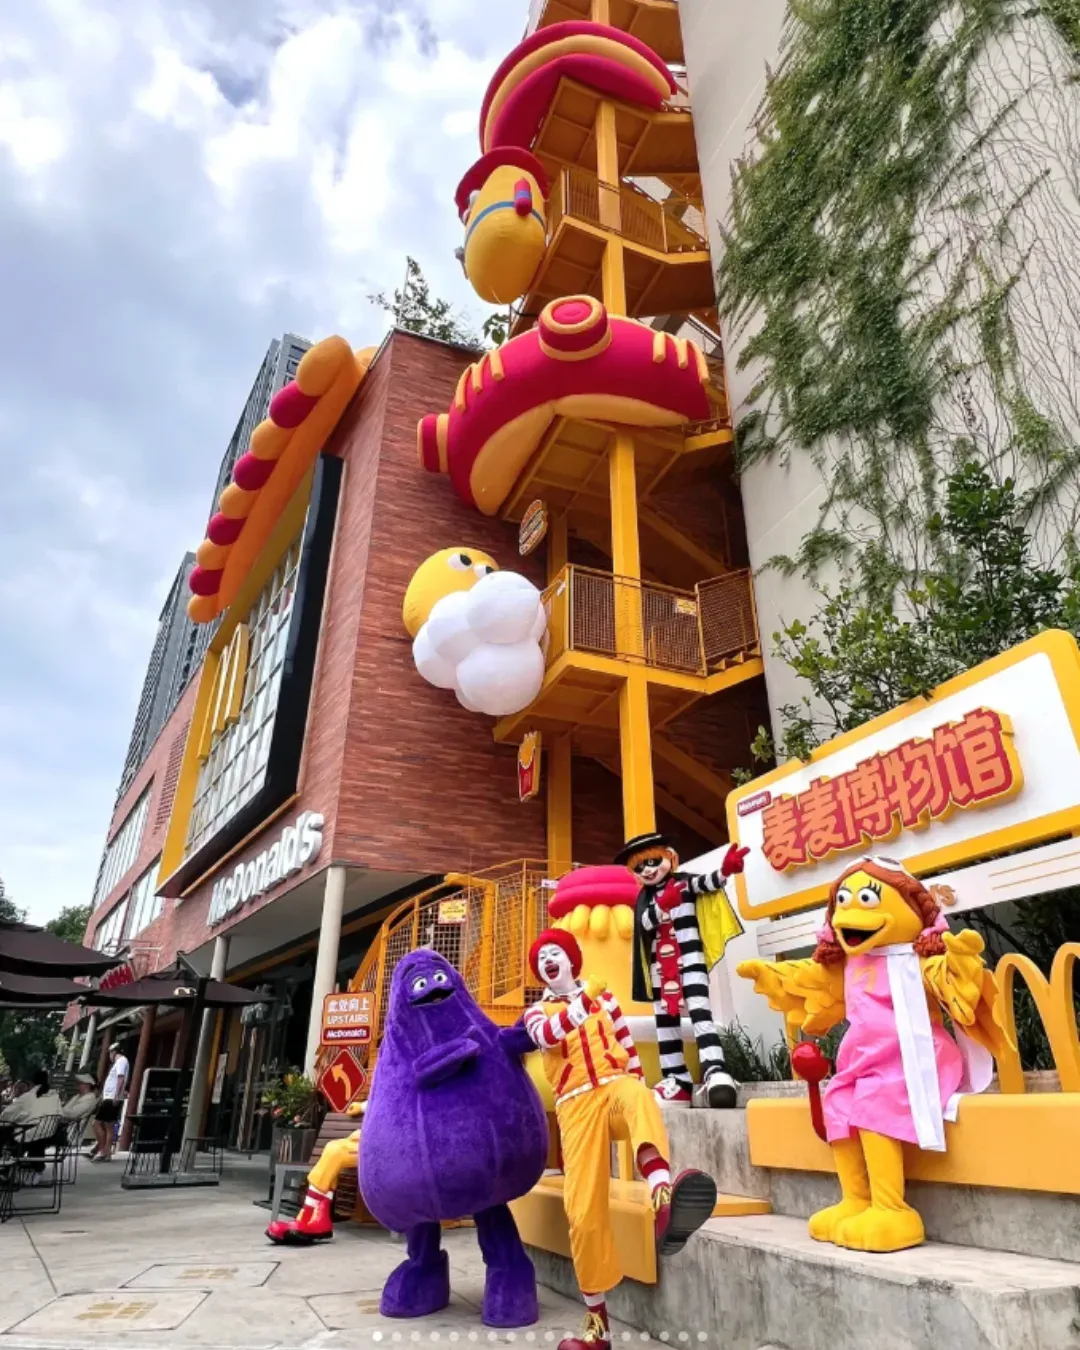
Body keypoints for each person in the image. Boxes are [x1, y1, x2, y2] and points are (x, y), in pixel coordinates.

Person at [523, 929, 717, 1350]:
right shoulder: (537, 1012)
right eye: (542, 957)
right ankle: (597, 1325)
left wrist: (635, 1077)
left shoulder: (605, 1001)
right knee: (582, 1211)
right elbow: (548, 1037)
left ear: (573, 958)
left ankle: (662, 1196)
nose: (548, 960)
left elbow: (627, 1048)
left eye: (556, 952)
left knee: (637, 1093)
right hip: (575, 1105)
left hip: (613, 1089)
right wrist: (583, 1000)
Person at [617, 832, 748, 1108]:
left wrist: (726, 870)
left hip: (690, 963)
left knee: (701, 1016)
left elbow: (707, 883)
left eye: (652, 861)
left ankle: (715, 1070)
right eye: (640, 867)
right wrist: (662, 905)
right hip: (659, 973)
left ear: (669, 856)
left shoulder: (685, 882)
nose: (648, 870)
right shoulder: (643, 899)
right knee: (666, 1026)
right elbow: (645, 922)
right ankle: (676, 1080)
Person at [92, 1044, 129, 1163]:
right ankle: (107, 1153)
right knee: (109, 1126)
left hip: (111, 1097)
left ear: (113, 1052)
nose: (109, 1056)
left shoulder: (121, 1061)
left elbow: (121, 1078)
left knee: (96, 1123)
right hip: (111, 1097)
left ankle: (102, 1150)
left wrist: (116, 1096)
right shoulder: (120, 1062)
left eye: (110, 1053)